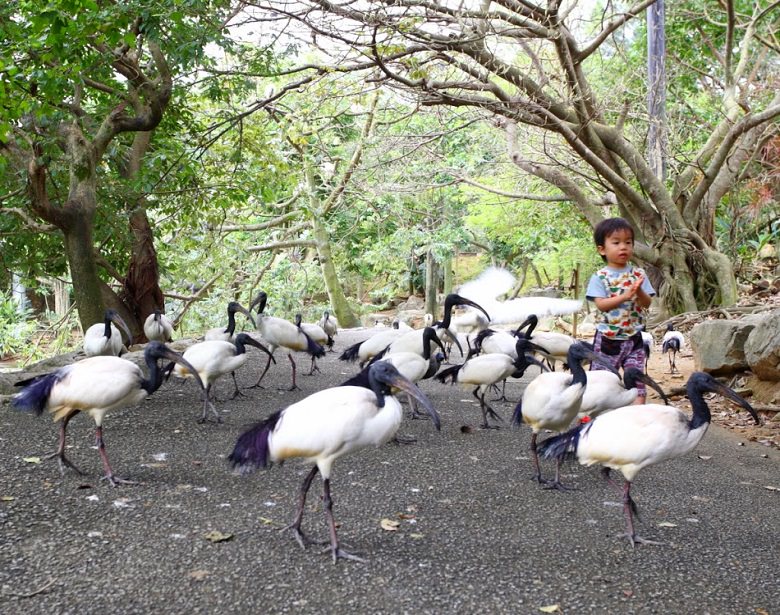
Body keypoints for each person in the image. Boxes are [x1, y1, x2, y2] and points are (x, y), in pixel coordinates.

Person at [586, 217, 655, 404]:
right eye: (616, 243)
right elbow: (601, 304)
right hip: (608, 340)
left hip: (634, 339)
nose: (623, 247)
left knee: (638, 383)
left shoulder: (638, 274)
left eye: (628, 242)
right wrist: (624, 296)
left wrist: (638, 290)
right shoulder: (600, 277)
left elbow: (646, 303)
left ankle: (637, 422)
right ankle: (587, 425)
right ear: (602, 249)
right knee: (599, 384)